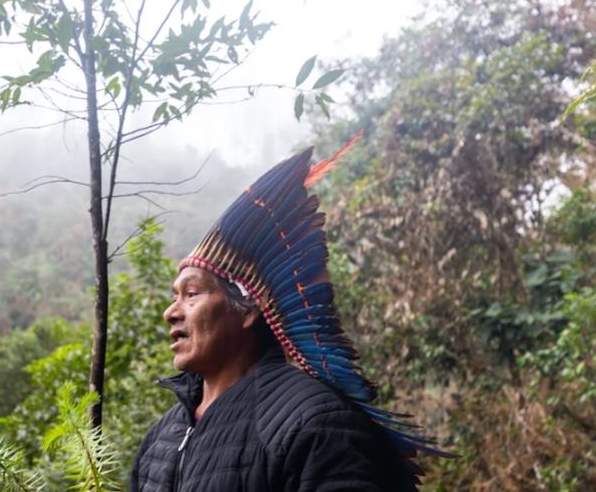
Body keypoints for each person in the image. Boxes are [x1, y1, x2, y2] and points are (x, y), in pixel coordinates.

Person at [129, 141, 449, 492]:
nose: (170, 312)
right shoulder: (160, 439)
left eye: (191, 294)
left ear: (248, 309)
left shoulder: (316, 421)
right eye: (174, 296)